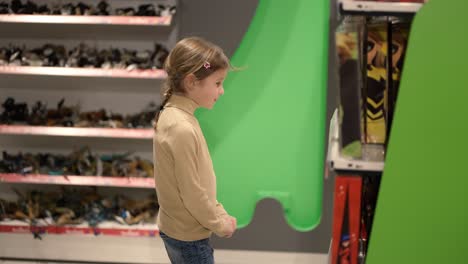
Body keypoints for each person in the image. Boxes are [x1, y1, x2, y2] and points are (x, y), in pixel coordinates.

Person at [152, 36, 237, 264]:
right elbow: (192, 193)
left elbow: (194, 183)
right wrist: (220, 223)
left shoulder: (173, 114)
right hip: (189, 238)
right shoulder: (182, 128)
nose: (222, 91)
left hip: (178, 229)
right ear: (191, 82)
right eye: (218, 83)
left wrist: (218, 211)